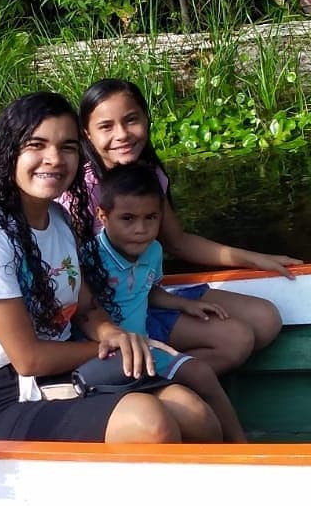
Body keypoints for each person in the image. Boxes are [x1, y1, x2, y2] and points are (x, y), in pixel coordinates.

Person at [0, 92, 221, 443]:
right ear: (10, 151)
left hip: (73, 375)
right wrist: (109, 348)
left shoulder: (58, 219)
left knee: (193, 409)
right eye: (37, 145)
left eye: (68, 147)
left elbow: (87, 308)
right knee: (150, 422)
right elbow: (29, 359)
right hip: (13, 397)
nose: (54, 159)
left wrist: (111, 333)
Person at [66, 78, 302, 374]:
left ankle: (163, 371)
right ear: (87, 134)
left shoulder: (148, 174)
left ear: (146, 119)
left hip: (147, 295)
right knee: (236, 340)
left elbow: (178, 242)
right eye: (106, 127)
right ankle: (154, 382)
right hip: (107, 315)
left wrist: (255, 259)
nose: (122, 135)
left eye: (131, 120)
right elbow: (70, 278)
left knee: (266, 319)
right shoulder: (78, 191)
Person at [92, 163, 246, 442]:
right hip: (105, 357)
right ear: (103, 215)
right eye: (127, 219)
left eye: (151, 218)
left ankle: (242, 448)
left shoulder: (153, 250)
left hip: (147, 346)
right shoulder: (89, 258)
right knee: (185, 411)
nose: (141, 229)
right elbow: (82, 313)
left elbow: (147, 290)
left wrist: (183, 304)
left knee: (201, 373)